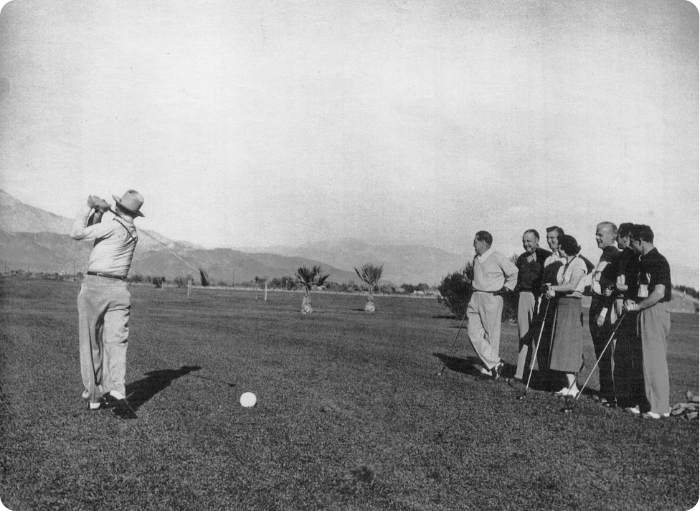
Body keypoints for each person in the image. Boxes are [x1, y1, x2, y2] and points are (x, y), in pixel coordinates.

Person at [70, 190, 145, 419]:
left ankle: (94, 397)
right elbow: (98, 235)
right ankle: (117, 392)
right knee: (116, 343)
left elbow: (77, 233)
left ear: (119, 207)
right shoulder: (131, 232)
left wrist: (89, 205)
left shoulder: (113, 226)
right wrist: (100, 213)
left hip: (95, 285)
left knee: (91, 343)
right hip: (119, 290)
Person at [623, 224, 673, 419]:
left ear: (640, 241)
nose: (631, 246)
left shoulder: (658, 261)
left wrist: (638, 306)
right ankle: (645, 403)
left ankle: (660, 408)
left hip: (654, 311)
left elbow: (659, 293)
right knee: (641, 359)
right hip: (644, 310)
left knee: (654, 360)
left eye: (633, 242)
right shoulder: (643, 260)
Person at [466, 231, 519, 379]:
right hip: (476, 296)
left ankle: (488, 371)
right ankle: (495, 363)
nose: (473, 245)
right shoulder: (476, 258)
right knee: (472, 333)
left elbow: (514, 272)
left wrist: (506, 288)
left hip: (492, 297)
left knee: (491, 335)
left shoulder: (497, 256)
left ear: (483, 243)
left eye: (475, 242)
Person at [545, 235, 587, 397]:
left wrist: (553, 288)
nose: (557, 249)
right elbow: (562, 286)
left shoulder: (579, 263)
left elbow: (572, 285)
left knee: (569, 345)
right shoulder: (565, 265)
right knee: (561, 345)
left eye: (559, 246)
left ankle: (573, 387)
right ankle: (567, 385)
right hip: (561, 305)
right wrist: (551, 290)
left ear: (565, 247)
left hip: (571, 305)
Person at [610, 223, 646, 413]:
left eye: (620, 237)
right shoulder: (626, 256)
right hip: (626, 306)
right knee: (622, 354)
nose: (617, 239)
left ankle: (634, 400)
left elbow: (634, 286)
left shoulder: (637, 258)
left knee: (632, 356)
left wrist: (618, 288)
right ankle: (623, 399)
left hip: (634, 310)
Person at [589, 222, 621, 407]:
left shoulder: (614, 255)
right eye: (596, 234)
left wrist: (603, 311)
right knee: (600, 351)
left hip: (604, 309)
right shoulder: (604, 254)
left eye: (600, 234)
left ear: (612, 236)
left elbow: (611, 287)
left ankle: (610, 394)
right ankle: (605, 391)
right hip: (596, 306)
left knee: (606, 352)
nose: (597, 237)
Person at [513, 229, 551, 382]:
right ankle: (520, 373)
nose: (526, 244)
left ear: (537, 240)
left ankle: (544, 375)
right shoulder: (521, 258)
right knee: (524, 335)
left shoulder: (546, 256)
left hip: (540, 298)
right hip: (524, 296)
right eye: (524, 241)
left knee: (540, 336)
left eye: (529, 241)